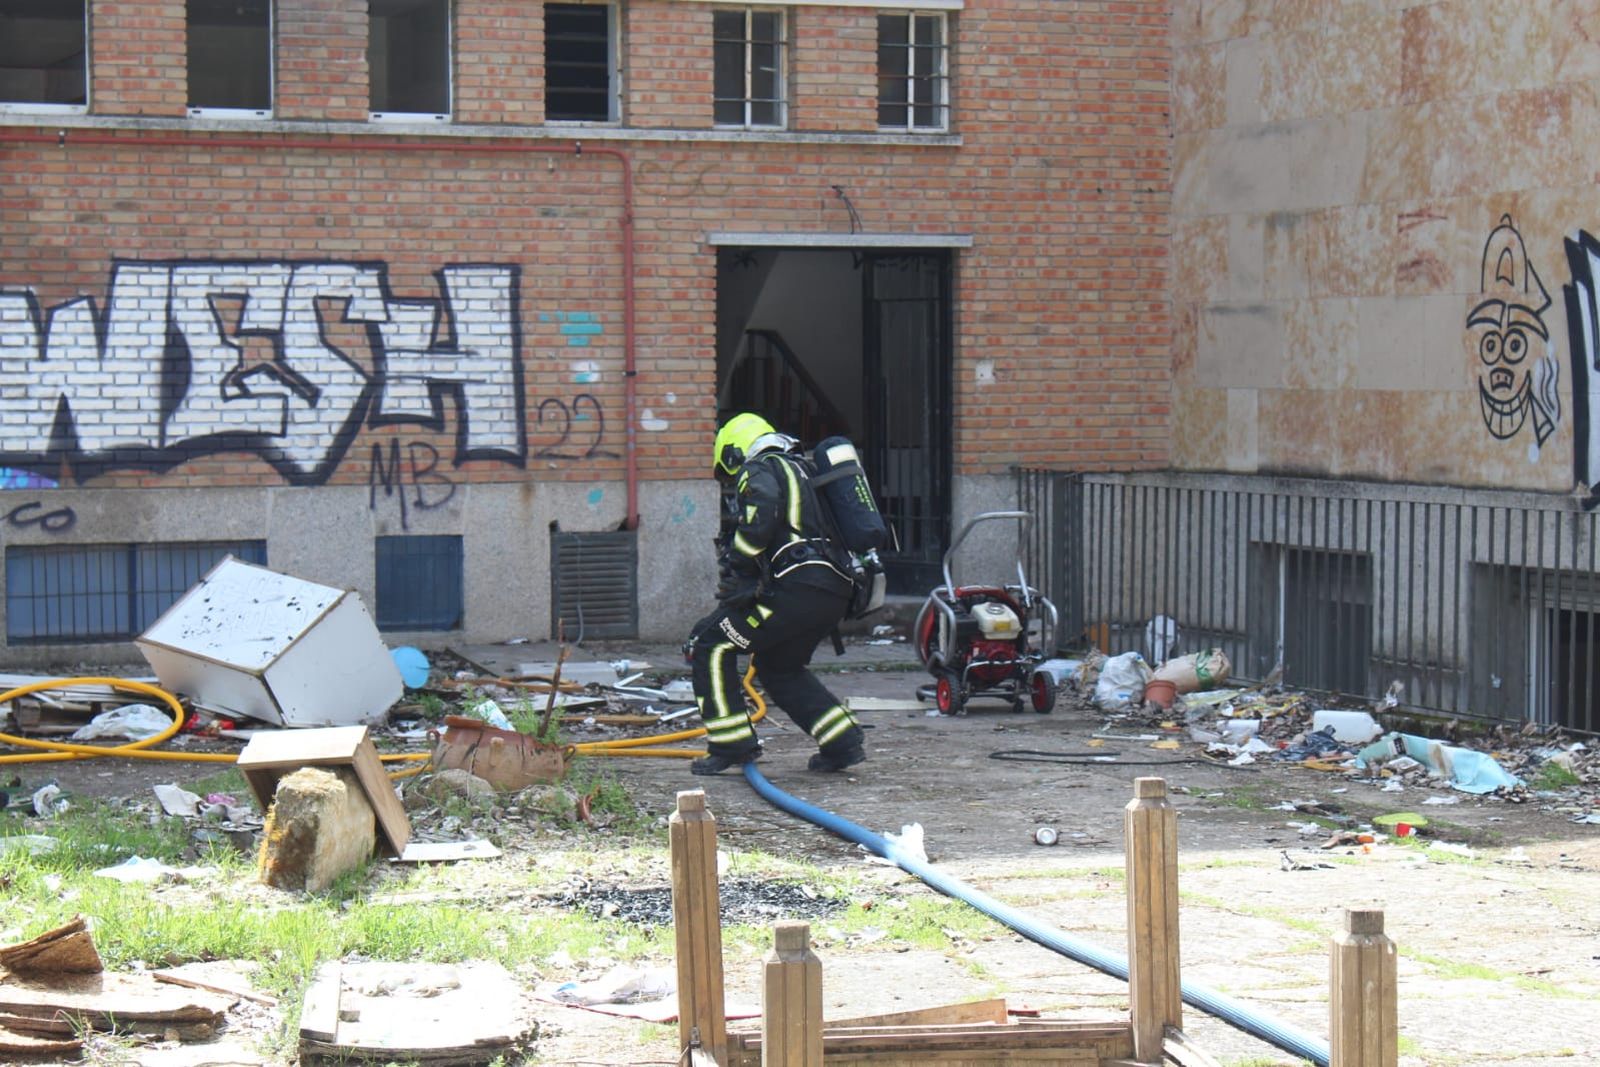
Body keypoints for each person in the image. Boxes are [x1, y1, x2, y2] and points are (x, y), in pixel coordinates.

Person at [685, 412, 866, 776]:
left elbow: (761, 509)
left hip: (797, 590)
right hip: (832, 592)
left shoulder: (761, 468)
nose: (732, 478)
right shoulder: (802, 468)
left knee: (709, 642)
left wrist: (741, 568)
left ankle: (730, 744)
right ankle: (842, 742)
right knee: (778, 666)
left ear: (735, 452)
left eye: (727, 469)